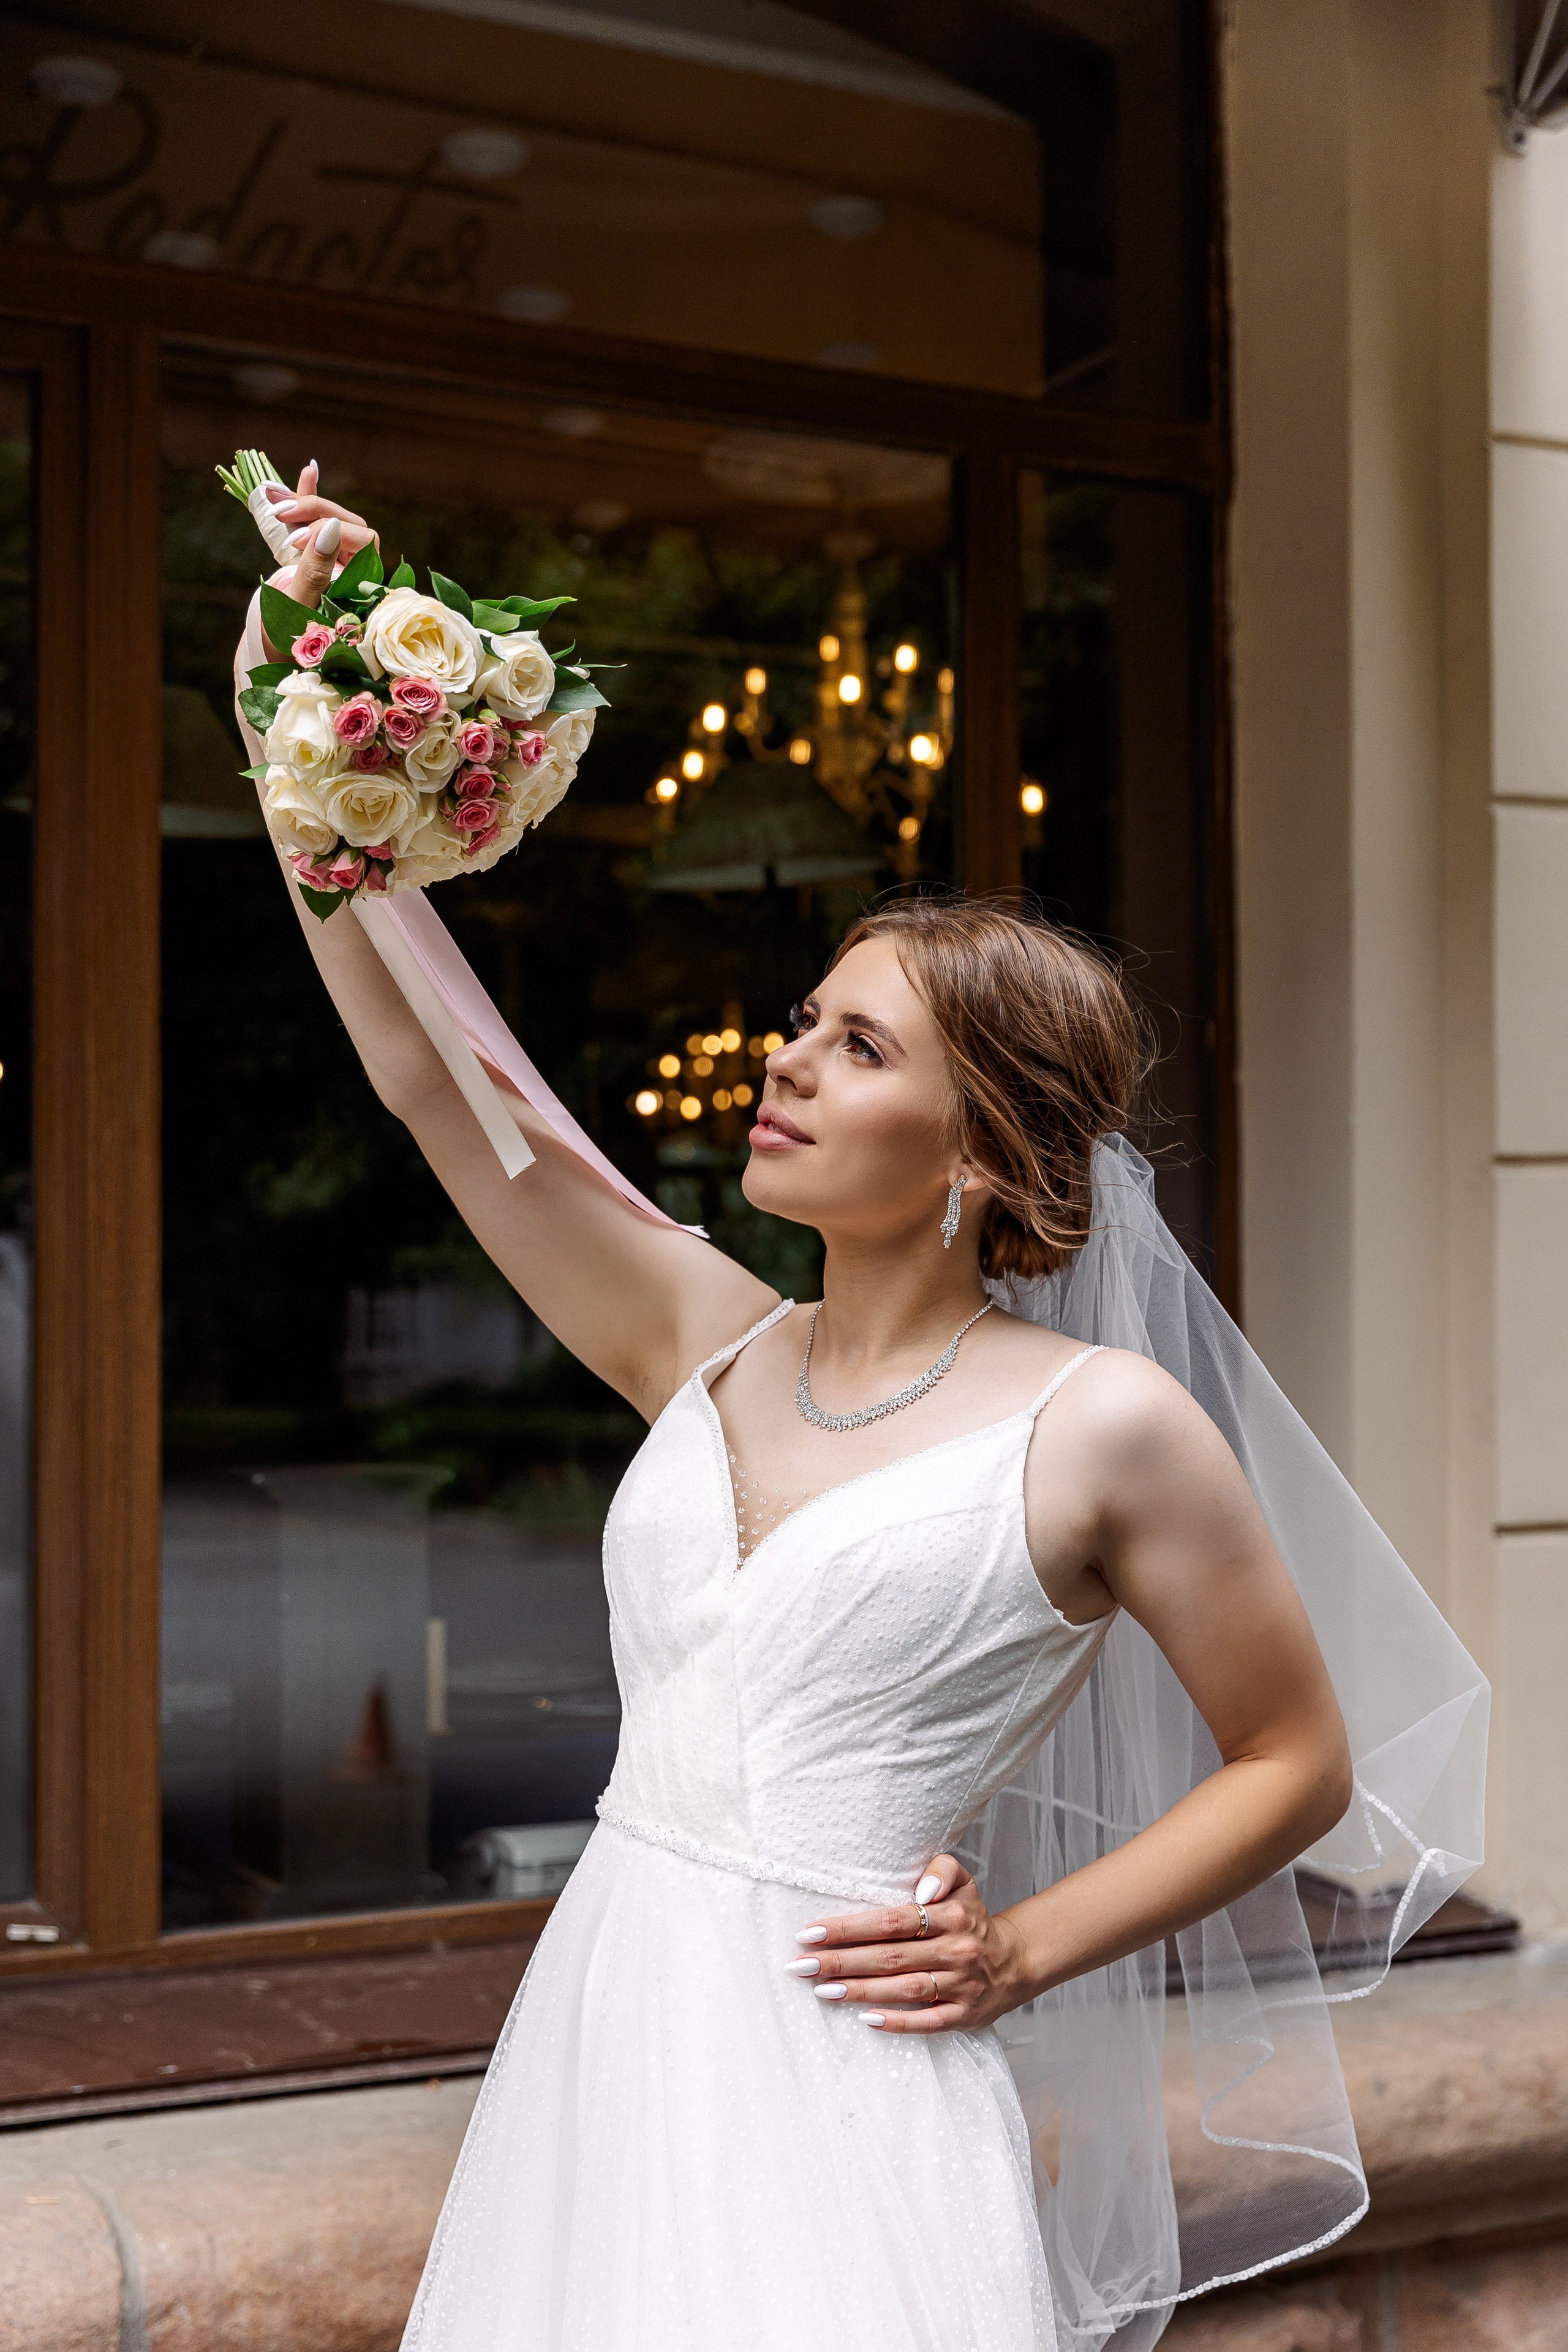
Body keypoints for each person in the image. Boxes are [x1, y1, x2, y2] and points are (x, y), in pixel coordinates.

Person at [236, 483, 1487, 2352]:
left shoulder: (1105, 1430)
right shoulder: (700, 1335)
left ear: (983, 1151)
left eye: (858, 1045)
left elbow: (1295, 1759)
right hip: (606, 2043)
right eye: (804, 1020)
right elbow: (427, 1073)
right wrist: (300, 699)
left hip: (849, 2083)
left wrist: (1024, 1947)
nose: (786, 1060)